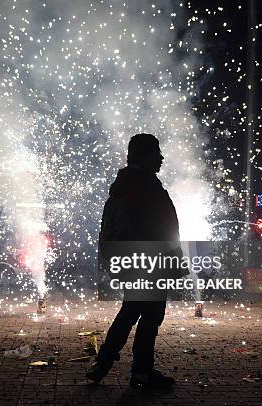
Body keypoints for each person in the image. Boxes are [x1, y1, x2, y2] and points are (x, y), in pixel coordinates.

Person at [86, 133, 179, 388]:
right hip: (152, 263)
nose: (161, 158)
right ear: (144, 156)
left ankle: (103, 364)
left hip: (134, 262)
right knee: (149, 317)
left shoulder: (124, 185)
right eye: (156, 152)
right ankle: (140, 373)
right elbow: (162, 229)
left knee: (130, 312)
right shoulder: (147, 187)